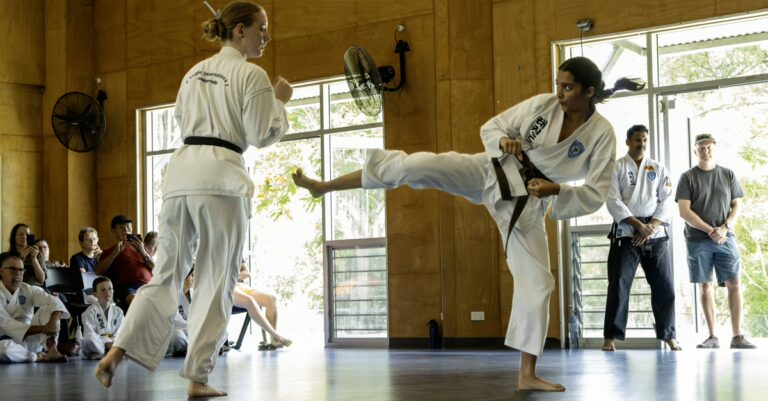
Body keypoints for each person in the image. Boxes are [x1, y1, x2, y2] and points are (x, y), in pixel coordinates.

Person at [294, 56, 643, 391]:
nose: (559, 93)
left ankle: (527, 374)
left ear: (589, 92)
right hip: (490, 171)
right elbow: (493, 127)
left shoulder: (602, 135)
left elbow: (596, 193)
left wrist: (557, 189)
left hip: (526, 207)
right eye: (558, 85)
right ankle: (324, 187)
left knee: (539, 283)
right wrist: (503, 141)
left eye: (567, 88)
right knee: (416, 166)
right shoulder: (543, 105)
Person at [95, 1, 292, 397]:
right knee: (216, 280)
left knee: (165, 275)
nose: (266, 35)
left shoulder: (192, 73)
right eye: (262, 27)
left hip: (180, 176)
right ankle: (198, 379)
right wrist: (280, 102)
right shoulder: (251, 74)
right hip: (221, 179)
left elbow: (185, 122)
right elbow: (259, 134)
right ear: (239, 31)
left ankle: (117, 350)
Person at [602, 125, 679, 351]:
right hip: (627, 232)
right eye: (637, 139)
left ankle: (669, 335)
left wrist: (651, 227)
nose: (642, 143)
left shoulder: (657, 167)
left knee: (664, 285)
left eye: (645, 139)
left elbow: (666, 200)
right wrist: (637, 226)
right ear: (627, 142)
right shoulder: (617, 167)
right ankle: (611, 337)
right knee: (618, 284)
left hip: (655, 234)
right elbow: (613, 200)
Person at [675, 133, 756, 349]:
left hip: (725, 238)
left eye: (709, 146)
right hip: (697, 240)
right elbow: (684, 211)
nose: (705, 150)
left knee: (734, 283)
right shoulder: (687, 177)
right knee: (705, 286)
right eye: (701, 147)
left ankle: (738, 336)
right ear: (695, 151)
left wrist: (724, 227)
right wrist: (711, 230)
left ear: (714, 148)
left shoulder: (728, 174)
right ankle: (712, 336)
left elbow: (736, 206)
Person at [0, 252, 69, 362]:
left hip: (32, 340)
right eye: (13, 270)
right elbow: (6, 324)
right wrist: (44, 328)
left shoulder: (28, 289)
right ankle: (37, 356)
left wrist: (53, 320)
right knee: (3, 348)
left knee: (48, 309)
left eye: (21, 270)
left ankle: (52, 351)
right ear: (1, 271)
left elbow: (54, 301)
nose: (18, 274)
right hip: (8, 342)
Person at [95, 215, 154, 306]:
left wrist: (143, 252)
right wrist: (116, 252)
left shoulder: (141, 247)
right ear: (114, 231)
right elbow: (98, 271)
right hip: (128, 288)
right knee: (135, 300)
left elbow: (155, 269)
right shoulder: (109, 251)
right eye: (122, 228)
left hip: (150, 285)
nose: (126, 230)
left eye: (128, 227)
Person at [233, 263, 291, 347]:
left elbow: (247, 274)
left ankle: (273, 340)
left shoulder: (235, 252)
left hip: (239, 284)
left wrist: (232, 276)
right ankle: (277, 336)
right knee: (250, 300)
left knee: (271, 299)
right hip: (226, 287)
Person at [81, 277, 124, 360]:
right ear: (95, 294)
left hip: (113, 343)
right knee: (88, 338)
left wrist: (112, 342)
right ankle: (107, 352)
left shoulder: (118, 311)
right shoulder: (90, 312)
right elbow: (90, 334)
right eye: (103, 290)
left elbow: (120, 333)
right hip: (97, 344)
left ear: (113, 291)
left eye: (110, 289)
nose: (107, 292)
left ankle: (103, 354)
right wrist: (107, 343)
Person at [8, 223, 46, 287]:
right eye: (21, 234)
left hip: (37, 288)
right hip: (18, 287)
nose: (24, 237)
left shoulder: (38, 255)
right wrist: (22, 257)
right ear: (14, 237)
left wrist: (34, 258)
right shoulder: (7, 257)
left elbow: (41, 280)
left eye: (27, 235)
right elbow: (10, 277)